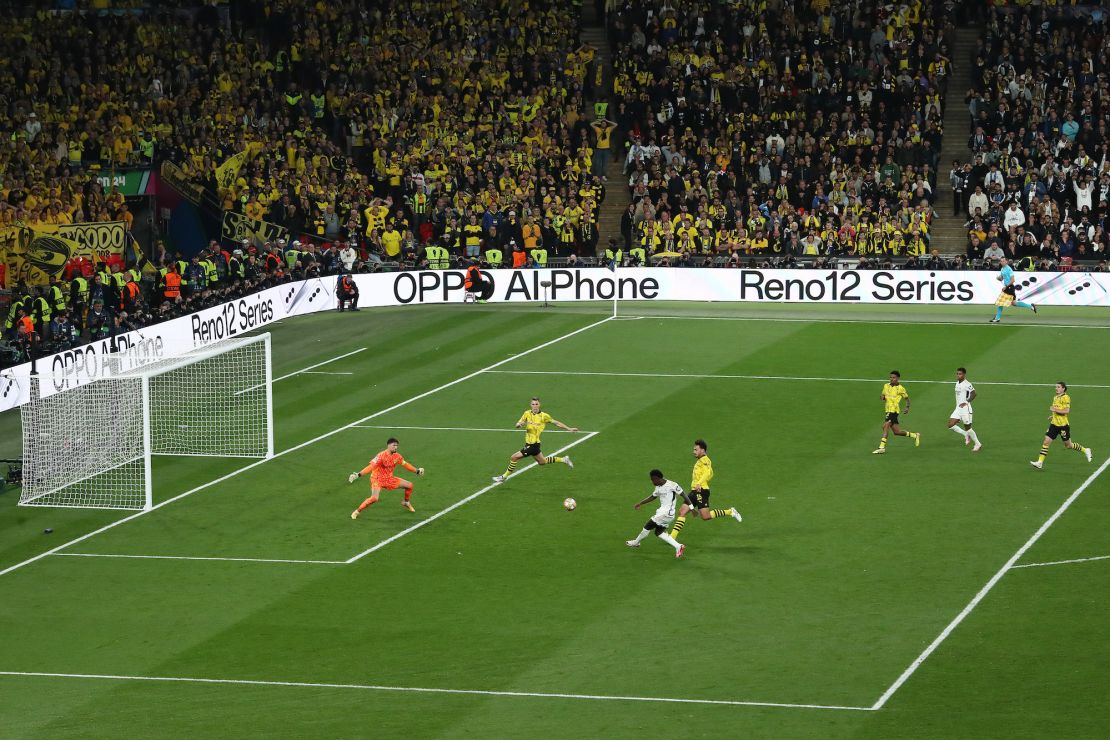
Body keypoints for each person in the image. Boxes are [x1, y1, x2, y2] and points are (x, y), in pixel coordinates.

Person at [668, 439, 742, 541]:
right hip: (694, 491)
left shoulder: (705, 460)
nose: (694, 451)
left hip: (701, 491)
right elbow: (711, 473)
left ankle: (730, 511)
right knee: (682, 511)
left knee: (705, 516)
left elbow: (707, 473)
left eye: (696, 449)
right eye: (693, 449)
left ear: (702, 450)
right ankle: (672, 537)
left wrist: (699, 483)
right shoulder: (700, 461)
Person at [492, 397, 577, 483]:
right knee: (542, 462)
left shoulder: (544, 416)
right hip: (531, 444)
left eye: (536, 404)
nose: (535, 406)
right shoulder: (527, 413)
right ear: (530, 405)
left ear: (539, 405)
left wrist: (568, 428)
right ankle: (564, 459)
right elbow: (517, 424)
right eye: (533, 404)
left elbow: (556, 423)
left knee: (514, 457)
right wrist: (519, 425)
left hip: (533, 445)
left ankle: (503, 477)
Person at [348, 437, 425, 517]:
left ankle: (406, 502)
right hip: (377, 479)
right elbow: (370, 467)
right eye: (394, 445)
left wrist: (417, 471)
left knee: (410, 485)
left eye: (397, 446)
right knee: (374, 498)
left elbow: (406, 464)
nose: (396, 447)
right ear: (388, 445)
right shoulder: (381, 456)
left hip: (389, 479)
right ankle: (357, 512)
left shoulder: (397, 456)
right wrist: (358, 475)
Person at [626, 469, 688, 558]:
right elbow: (653, 496)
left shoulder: (671, 485)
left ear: (658, 478)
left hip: (666, 514)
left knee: (647, 526)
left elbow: (683, 494)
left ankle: (636, 542)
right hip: (665, 513)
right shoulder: (658, 487)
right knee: (659, 532)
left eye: (653, 479)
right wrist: (641, 503)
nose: (652, 481)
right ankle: (678, 546)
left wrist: (691, 507)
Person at [1030, 382, 1093, 470]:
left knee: (1068, 445)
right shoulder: (1055, 397)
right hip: (1054, 425)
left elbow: (1066, 411)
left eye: (1058, 387)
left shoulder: (1066, 398)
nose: (1056, 388)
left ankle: (1086, 450)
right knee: (1046, 441)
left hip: (1063, 426)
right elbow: (1058, 410)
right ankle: (1040, 462)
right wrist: (1053, 416)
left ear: (1063, 388)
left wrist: (1054, 409)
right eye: (1056, 387)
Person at [873, 371, 921, 454]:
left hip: (894, 411)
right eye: (890, 377)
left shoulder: (901, 388)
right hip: (887, 410)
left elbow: (907, 399)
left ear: (898, 378)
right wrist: (882, 397)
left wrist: (907, 407)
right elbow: (883, 396)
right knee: (896, 432)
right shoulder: (886, 385)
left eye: (893, 377)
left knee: (886, 425)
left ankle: (881, 447)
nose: (891, 379)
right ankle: (915, 435)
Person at [990, 257, 1036, 323]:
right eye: (1001, 261)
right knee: (1014, 303)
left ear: (1006, 262)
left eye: (1003, 261)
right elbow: (1002, 278)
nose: (1001, 262)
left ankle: (997, 318)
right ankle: (1031, 306)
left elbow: (1013, 280)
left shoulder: (1009, 269)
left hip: (1009, 288)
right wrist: (998, 278)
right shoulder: (1002, 269)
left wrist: (1006, 286)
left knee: (1000, 302)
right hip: (1008, 287)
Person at [948, 367, 982, 452]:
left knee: (968, 428)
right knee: (950, 425)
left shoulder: (967, 384)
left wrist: (966, 402)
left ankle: (978, 444)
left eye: (960, 374)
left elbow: (974, 394)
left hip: (965, 409)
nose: (958, 375)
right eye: (957, 374)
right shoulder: (957, 383)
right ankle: (965, 435)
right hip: (958, 409)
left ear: (964, 375)